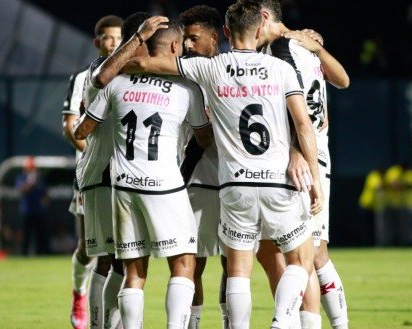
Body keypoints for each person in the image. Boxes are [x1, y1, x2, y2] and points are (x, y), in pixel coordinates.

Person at [114, 2, 324, 328]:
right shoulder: (280, 69)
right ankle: (282, 321)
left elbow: (139, 64)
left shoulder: (211, 68)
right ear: (259, 29)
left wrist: (127, 52)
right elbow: (304, 124)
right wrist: (314, 180)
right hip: (277, 180)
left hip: (234, 185)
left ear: (225, 32)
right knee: (301, 259)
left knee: (239, 269)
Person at [74, 20, 213, 329]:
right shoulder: (187, 87)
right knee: (184, 263)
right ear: (175, 48)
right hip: (163, 184)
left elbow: (82, 129)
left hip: (121, 186)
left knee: (133, 272)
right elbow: (204, 138)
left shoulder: (117, 83)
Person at [252, 1, 350, 327]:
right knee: (309, 253)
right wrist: (318, 50)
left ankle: (293, 322)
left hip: (300, 158)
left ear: (264, 17)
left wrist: (295, 149)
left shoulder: (277, 50)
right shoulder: (302, 45)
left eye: (254, 22)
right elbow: (343, 80)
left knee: (301, 254)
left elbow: (295, 108)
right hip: (319, 155)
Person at [61, 14, 122, 329]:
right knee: (89, 248)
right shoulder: (83, 78)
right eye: (107, 37)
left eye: (118, 37)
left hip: (125, 176)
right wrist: (96, 155)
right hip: (90, 173)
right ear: (97, 41)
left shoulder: (129, 77)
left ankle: (117, 315)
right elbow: (71, 127)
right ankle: (79, 293)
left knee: (123, 249)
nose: (113, 43)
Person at [177, 5, 226, 329]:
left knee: (234, 262)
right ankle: (192, 324)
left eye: (194, 38)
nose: (188, 46)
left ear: (215, 36)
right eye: (185, 40)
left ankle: (229, 322)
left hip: (234, 181)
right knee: (193, 263)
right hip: (196, 183)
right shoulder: (181, 74)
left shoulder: (229, 71)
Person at [15, 156, 49, 255]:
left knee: (40, 234)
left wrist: (45, 202)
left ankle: (41, 254)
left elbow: (45, 193)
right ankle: (24, 254)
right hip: (27, 211)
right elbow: (22, 189)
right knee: (26, 235)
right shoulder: (21, 178)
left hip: (38, 211)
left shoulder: (39, 179)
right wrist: (30, 182)